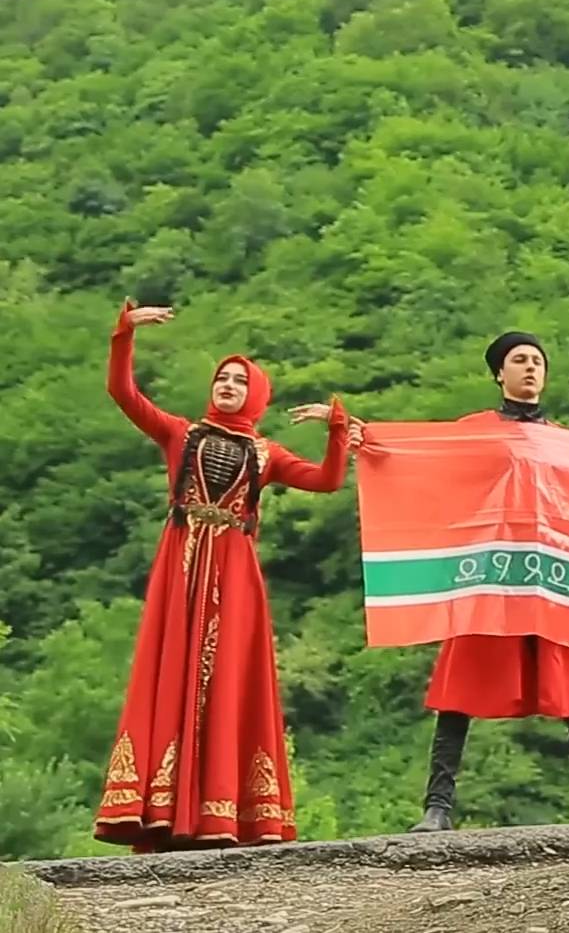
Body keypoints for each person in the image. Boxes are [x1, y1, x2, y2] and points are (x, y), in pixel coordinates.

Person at [305, 331, 569, 831]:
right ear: (499, 373)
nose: (530, 368)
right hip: (489, 580)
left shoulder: (564, 441)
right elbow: (427, 462)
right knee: (459, 688)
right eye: (518, 360)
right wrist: (371, 439)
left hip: (548, 580)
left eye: (537, 361)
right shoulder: (474, 431)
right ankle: (438, 807)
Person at [96, 300, 351, 852]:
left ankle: (223, 812)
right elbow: (124, 394)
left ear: (257, 394)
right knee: (173, 670)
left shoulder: (266, 454)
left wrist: (337, 430)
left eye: (240, 380)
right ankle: (163, 809)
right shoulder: (181, 434)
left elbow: (329, 481)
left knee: (231, 677)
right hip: (183, 562)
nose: (229, 385)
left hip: (235, 572)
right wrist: (123, 337)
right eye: (222, 377)